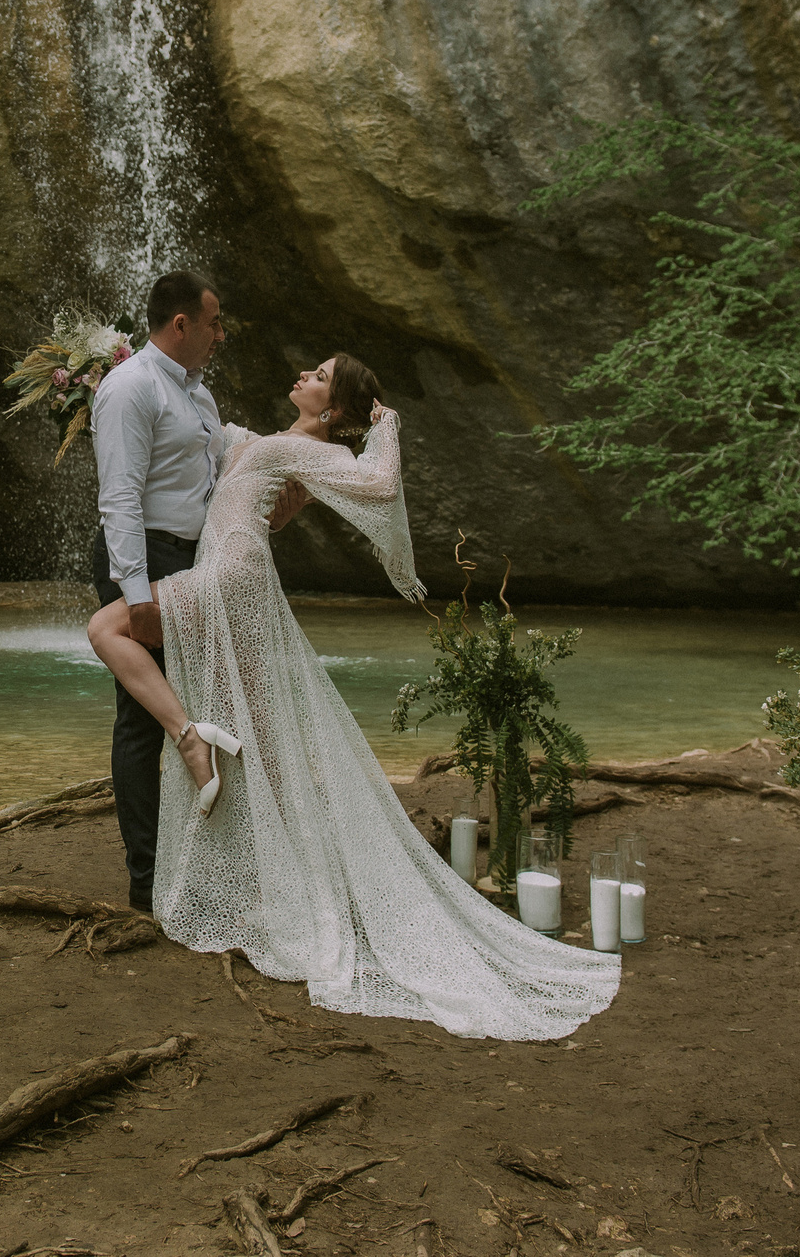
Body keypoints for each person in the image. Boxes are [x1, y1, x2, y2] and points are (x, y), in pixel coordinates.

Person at [87, 352, 620, 1041]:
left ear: (331, 408)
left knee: (106, 627)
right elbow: (206, 433)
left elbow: (378, 480)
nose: (304, 373)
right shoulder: (269, 442)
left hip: (231, 577)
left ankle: (191, 740)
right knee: (266, 736)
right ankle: (278, 885)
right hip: (236, 580)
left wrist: (385, 421)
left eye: (318, 376)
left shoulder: (310, 450)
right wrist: (127, 372)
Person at [87, 271, 305, 914]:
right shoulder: (129, 388)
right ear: (180, 324)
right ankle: (146, 883)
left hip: (194, 562)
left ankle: (207, 872)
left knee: (215, 701)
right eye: (214, 323)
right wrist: (134, 589)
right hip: (142, 558)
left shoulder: (201, 398)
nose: (221, 335)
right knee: (140, 721)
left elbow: (211, 490)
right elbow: (119, 495)